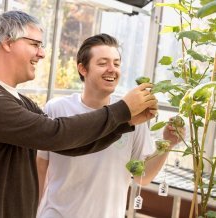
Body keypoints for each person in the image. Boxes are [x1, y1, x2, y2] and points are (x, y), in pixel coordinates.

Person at [0, 11, 158, 218]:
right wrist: (122, 109)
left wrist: (125, 122)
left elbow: (70, 144)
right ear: (7, 42)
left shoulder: (18, 100)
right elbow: (55, 134)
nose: (42, 53)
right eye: (35, 44)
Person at [36, 34, 185, 218]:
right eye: (103, 63)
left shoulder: (133, 114)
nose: (111, 69)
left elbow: (142, 177)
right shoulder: (57, 108)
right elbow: (40, 168)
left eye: (116, 63)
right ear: (82, 68)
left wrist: (167, 144)